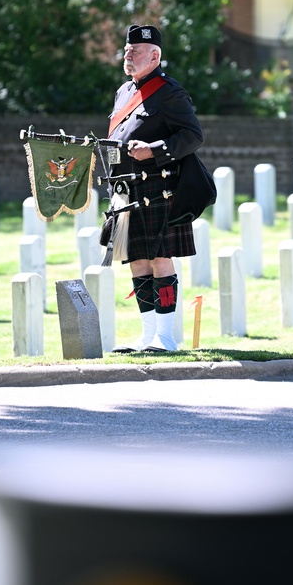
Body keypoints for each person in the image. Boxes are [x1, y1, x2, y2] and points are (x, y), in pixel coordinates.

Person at [108, 24, 203, 352]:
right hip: (126, 187)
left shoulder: (169, 92)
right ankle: (147, 336)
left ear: (155, 56)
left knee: (161, 258)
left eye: (135, 50)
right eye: (127, 49)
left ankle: (166, 337)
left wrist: (154, 149)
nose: (128, 55)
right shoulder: (123, 93)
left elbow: (192, 136)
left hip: (159, 188)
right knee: (136, 260)